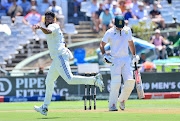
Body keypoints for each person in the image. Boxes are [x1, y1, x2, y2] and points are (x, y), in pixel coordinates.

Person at [33, 11, 104, 116]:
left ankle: (94, 80)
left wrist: (40, 28)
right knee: (49, 81)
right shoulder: (56, 27)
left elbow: (48, 31)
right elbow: (63, 42)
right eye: (46, 18)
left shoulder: (54, 26)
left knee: (69, 79)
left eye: (49, 18)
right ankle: (45, 107)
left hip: (59, 57)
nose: (47, 20)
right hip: (57, 58)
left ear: (54, 19)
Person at [100, 15, 139, 111]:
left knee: (130, 82)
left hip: (126, 58)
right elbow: (102, 44)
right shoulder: (110, 32)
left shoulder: (127, 30)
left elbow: (131, 43)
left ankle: (122, 100)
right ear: (114, 24)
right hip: (115, 60)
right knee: (116, 83)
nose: (120, 28)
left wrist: (134, 56)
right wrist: (104, 55)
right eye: (118, 26)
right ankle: (112, 105)